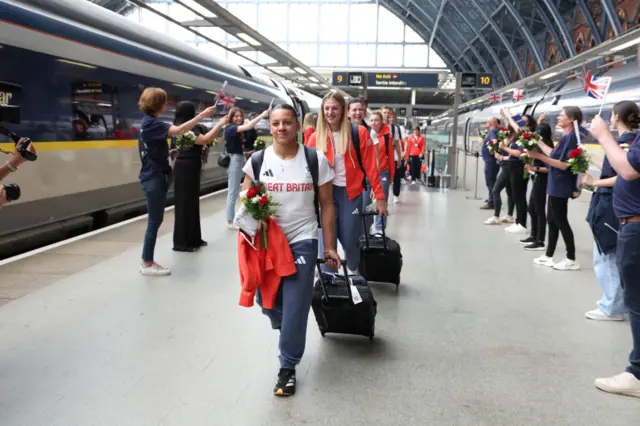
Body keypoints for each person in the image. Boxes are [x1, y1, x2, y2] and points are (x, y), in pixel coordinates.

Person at [241, 103, 341, 397]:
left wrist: (330, 245)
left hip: (302, 238)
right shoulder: (257, 161)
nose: (281, 128)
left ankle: (287, 367)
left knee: (296, 302)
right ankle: (286, 325)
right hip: (267, 240)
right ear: (269, 128)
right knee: (268, 302)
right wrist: (249, 217)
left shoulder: (314, 159)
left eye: (287, 122)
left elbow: (326, 205)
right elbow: (246, 199)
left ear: (298, 126)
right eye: (276, 123)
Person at [137, 87, 216, 276]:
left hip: (154, 174)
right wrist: (202, 116)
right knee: (154, 221)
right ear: (158, 104)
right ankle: (147, 262)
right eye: (164, 101)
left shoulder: (148, 123)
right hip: (154, 177)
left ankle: (147, 260)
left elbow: (151, 148)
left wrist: (168, 154)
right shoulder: (152, 124)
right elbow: (180, 130)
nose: (167, 105)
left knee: (155, 220)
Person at [307, 92, 386, 274]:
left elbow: (371, 167)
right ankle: (330, 279)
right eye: (326, 108)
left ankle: (353, 271)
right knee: (328, 240)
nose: (330, 112)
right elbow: (307, 171)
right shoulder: (314, 138)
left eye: (334, 108)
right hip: (324, 195)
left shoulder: (358, 133)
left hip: (350, 194)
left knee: (350, 239)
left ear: (343, 111)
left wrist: (380, 196)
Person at [590, 113, 640, 398]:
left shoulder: (627, 138)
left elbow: (629, 171)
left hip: (636, 226)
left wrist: (602, 135)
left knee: (636, 302)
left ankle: (637, 374)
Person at [582, 101, 639, 321]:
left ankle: (612, 307)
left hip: (612, 206)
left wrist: (595, 183)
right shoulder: (629, 142)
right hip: (616, 206)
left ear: (616, 117)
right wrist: (591, 157)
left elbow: (624, 172)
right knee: (611, 255)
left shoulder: (625, 142)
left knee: (606, 256)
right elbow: (615, 165)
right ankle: (613, 300)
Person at [527, 106, 582, 271]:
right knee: (552, 220)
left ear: (571, 119)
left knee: (561, 221)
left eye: (561, 115)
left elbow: (564, 165)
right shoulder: (566, 137)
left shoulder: (570, 138)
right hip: (555, 183)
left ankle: (571, 258)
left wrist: (538, 156)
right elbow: (553, 153)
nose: (558, 118)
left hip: (561, 184)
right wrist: (537, 142)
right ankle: (549, 255)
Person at [171, 102, 229, 252]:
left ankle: (194, 238)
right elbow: (204, 139)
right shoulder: (183, 128)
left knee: (192, 204)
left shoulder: (191, 126)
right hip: (184, 168)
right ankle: (182, 243)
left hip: (193, 167)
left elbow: (207, 136)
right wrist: (220, 124)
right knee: (184, 205)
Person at [223, 107, 268, 229]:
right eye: (235, 116)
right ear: (231, 118)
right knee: (232, 191)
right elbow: (249, 126)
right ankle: (229, 221)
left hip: (238, 158)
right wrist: (262, 115)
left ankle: (232, 219)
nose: (238, 118)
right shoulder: (231, 128)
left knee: (235, 190)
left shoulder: (232, 130)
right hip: (235, 160)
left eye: (240, 116)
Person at [520, 120, 553, 251]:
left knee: (539, 210)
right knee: (532, 208)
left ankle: (540, 240)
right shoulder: (539, 146)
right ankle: (533, 235)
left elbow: (551, 168)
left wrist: (535, 168)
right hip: (537, 178)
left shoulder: (547, 148)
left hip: (543, 179)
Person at [484, 126, 515, 226]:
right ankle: (509, 215)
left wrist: (500, 157)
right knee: (509, 192)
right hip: (508, 167)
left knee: (495, 190)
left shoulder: (513, 141)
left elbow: (515, 156)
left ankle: (496, 216)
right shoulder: (510, 139)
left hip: (507, 168)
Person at [480, 117, 501, 210]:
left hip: (491, 162)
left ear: (491, 123)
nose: (486, 125)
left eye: (487, 123)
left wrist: (493, 151)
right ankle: (491, 199)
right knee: (491, 181)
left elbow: (494, 142)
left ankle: (492, 202)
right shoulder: (495, 131)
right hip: (491, 161)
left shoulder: (493, 132)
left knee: (490, 182)